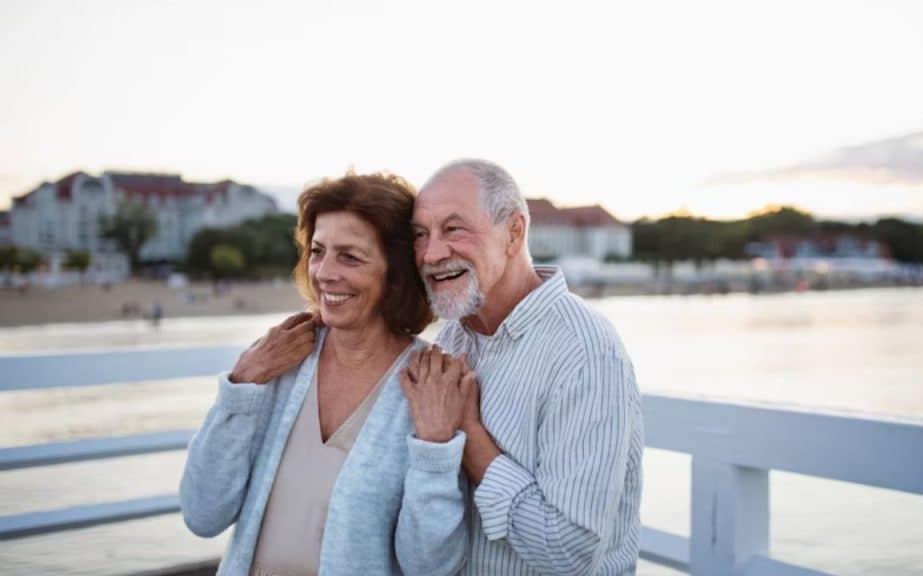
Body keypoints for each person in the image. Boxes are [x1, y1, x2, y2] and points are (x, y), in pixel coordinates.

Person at [180, 172, 472, 576]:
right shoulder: (277, 363)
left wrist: (435, 449)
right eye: (318, 252)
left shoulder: (428, 386)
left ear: (395, 274)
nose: (324, 273)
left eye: (350, 257)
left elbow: (430, 566)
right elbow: (202, 513)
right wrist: (241, 387)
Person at [409, 159, 643, 575]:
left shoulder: (585, 352)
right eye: (420, 235)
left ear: (514, 233)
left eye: (454, 229)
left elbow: (569, 552)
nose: (431, 254)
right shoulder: (450, 341)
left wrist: (471, 435)